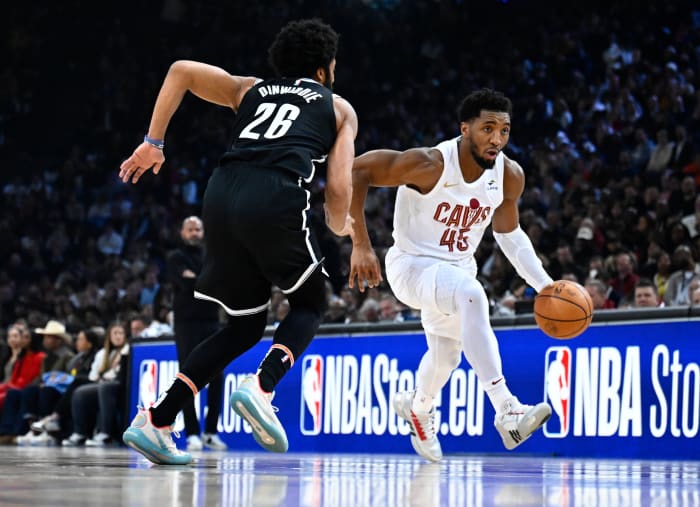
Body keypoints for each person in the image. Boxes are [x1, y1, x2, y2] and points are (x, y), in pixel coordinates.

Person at [119, 18, 356, 464]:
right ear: (325, 69)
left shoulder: (249, 88)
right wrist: (346, 229)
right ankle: (263, 386)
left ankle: (159, 418)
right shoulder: (339, 107)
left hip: (221, 195)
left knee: (244, 327)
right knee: (310, 304)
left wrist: (153, 141)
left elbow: (181, 70)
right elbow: (339, 192)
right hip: (276, 195)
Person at [349, 89, 553, 462]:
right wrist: (360, 243)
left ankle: (419, 408)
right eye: (487, 128)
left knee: (445, 357)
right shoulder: (430, 165)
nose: (496, 139)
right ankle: (506, 408)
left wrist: (544, 285)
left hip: (456, 270)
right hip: (411, 266)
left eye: (504, 130)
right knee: (472, 295)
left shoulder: (509, 175)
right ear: (465, 129)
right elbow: (358, 169)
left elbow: (509, 235)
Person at [166, 216, 226, 451]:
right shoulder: (175, 258)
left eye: (198, 229)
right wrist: (203, 280)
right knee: (188, 374)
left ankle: (211, 431)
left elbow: (214, 281)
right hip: (186, 323)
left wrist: (197, 279)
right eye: (190, 229)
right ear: (182, 232)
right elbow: (187, 283)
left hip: (212, 320)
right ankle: (192, 432)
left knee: (217, 375)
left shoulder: (212, 256)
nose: (194, 232)